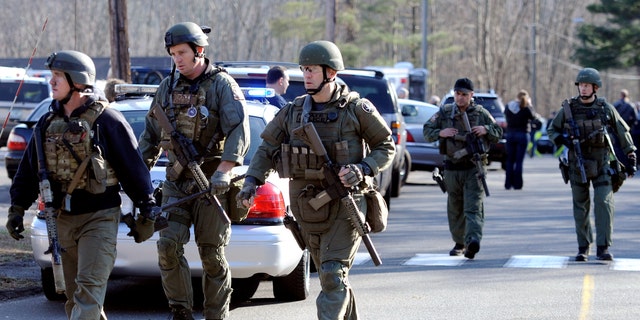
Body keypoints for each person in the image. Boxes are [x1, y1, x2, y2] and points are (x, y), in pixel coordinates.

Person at [236, 40, 395, 319]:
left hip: (346, 205)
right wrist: (251, 182)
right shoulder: (293, 111)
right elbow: (266, 149)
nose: (306, 75)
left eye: (312, 70)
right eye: (304, 69)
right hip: (307, 208)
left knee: (333, 274)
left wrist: (363, 169)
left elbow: (386, 145)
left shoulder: (356, 109)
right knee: (331, 277)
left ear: (330, 73)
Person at [7, 50, 156, 319]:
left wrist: (147, 210)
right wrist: (16, 208)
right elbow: (29, 171)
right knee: (76, 298)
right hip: (61, 220)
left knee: (87, 294)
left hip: (99, 219)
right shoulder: (46, 123)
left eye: (57, 77)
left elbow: (133, 169)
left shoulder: (107, 121)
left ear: (76, 81)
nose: (51, 82)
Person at [138, 22, 250, 320]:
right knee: (167, 247)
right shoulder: (167, 87)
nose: (177, 59)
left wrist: (225, 170)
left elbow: (239, 130)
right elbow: (149, 137)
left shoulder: (221, 85)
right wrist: (136, 176)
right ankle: (181, 311)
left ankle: (216, 314)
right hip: (176, 183)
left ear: (199, 51)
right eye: (173, 54)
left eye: (182, 53)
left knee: (212, 255)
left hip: (211, 184)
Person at [547, 67, 636, 262]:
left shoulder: (605, 108)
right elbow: (552, 129)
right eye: (581, 85)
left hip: (602, 162)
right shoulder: (569, 109)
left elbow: (622, 130)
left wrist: (630, 153)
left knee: (604, 203)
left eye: (587, 85)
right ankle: (583, 246)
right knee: (580, 206)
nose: (583, 89)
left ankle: (603, 247)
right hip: (577, 164)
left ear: (595, 88)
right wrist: (562, 140)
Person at [423, 78, 502, 259]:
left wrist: (486, 129)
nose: (460, 98)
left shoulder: (481, 113)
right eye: (457, 94)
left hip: (474, 168)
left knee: (473, 207)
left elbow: (498, 132)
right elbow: (427, 130)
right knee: (455, 207)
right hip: (451, 168)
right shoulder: (444, 112)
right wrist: (440, 133)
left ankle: (473, 240)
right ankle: (459, 242)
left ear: (471, 95)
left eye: (464, 95)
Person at [503, 90, 538, 189]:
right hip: (522, 135)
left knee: (510, 160)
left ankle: (508, 184)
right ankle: (518, 184)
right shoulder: (526, 107)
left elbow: (505, 116)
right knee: (519, 161)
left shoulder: (508, 106)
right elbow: (534, 117)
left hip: (510, 135)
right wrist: (530, 105)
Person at [612, 89, 637, 167]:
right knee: (628, 147)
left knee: (617, 147)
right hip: (627, 130)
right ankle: (627, 164)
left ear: (621, 95)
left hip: (616, 129)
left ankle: (620, 164)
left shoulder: (616, 105)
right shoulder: (631, 105)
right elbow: (635, 118)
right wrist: (631, 126)